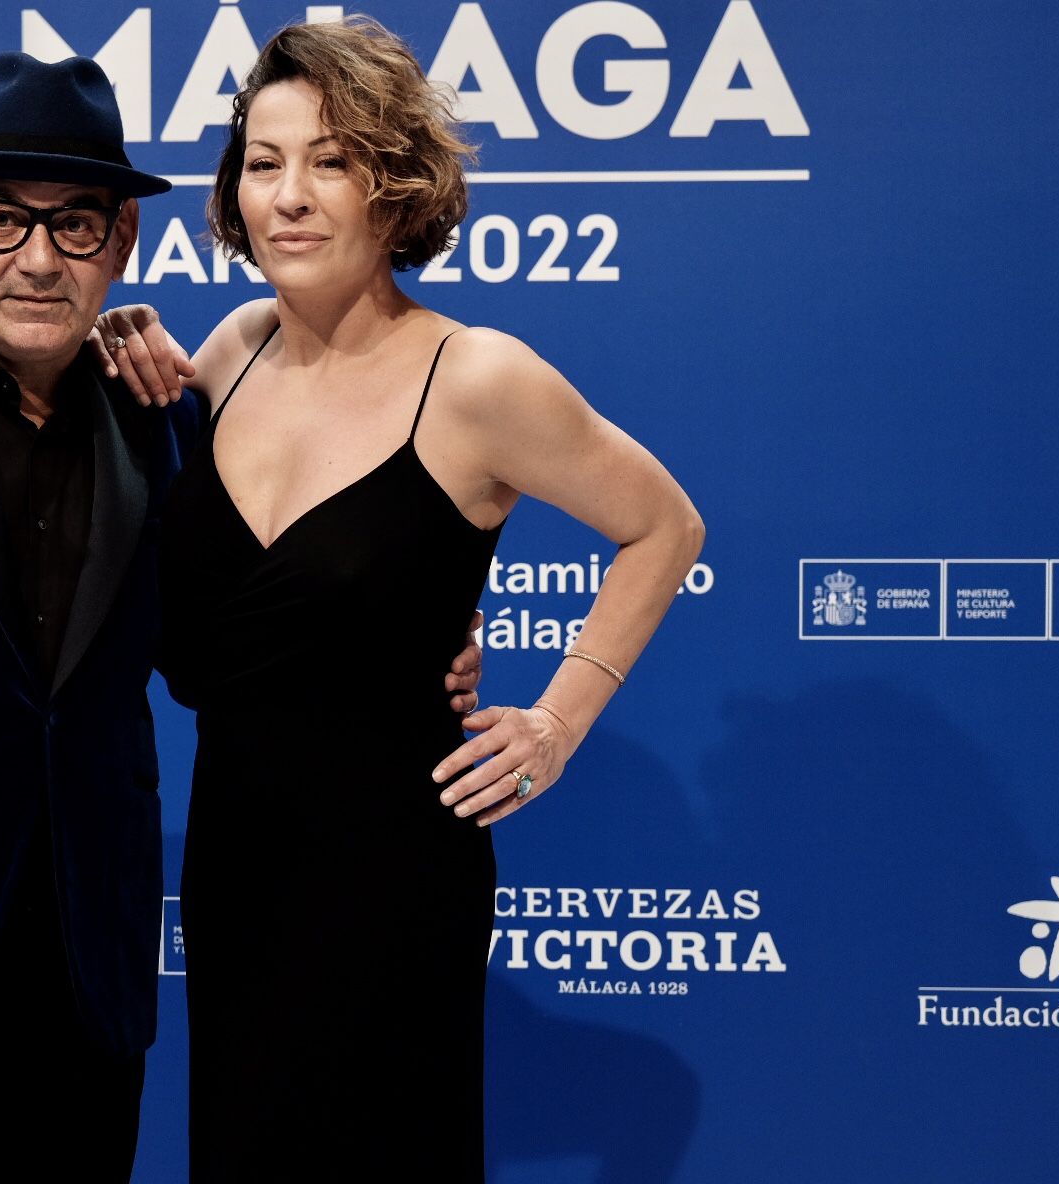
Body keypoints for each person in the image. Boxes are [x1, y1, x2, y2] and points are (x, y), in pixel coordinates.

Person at [0, 50, 482, 1183]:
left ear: (124, 243)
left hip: (74, 962)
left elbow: (222, 649)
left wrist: (419, 630)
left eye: (77, 225)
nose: (40, 260)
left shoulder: (158, 414)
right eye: (5, 220)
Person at [103, 19, 706, 1180]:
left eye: (329, 159)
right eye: (263, 161)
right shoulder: (224, 354)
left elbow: (664, 524)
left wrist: (560, 717)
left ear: (395, 183)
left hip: (395, 872)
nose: (288, 194)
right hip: (236, 868)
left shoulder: (476, 377)